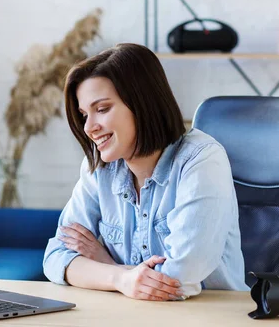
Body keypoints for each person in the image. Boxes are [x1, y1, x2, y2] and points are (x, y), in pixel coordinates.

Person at [43, 43, 248, 301]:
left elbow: (178, 278)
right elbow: (55, 258)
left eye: (102, 109)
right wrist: (120, 278)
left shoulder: (202, 161)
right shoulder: (98, 170)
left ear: (142, 103)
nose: (88, 128)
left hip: (206, 317)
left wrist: (103, 263)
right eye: (85, 114)